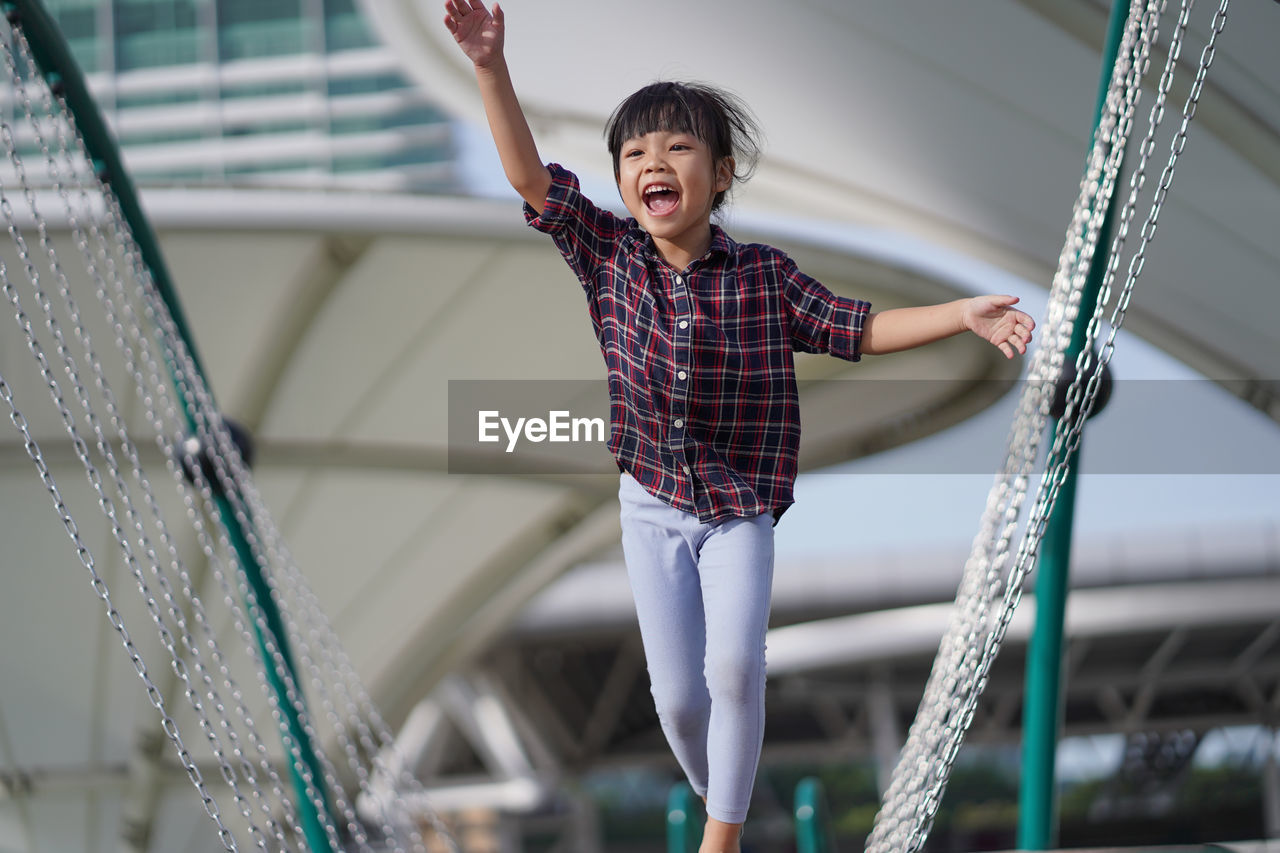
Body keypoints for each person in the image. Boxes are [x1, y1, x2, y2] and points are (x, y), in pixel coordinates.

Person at [443, 2, 1035, 850]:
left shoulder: (763, 276)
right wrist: (490, 66)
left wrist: (960, 313)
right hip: (649, 501)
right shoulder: (606, 256)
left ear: (721, 175)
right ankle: (726, 789)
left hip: (739, 507)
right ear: (620, 182)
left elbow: (855, 327)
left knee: (732, 670)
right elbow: (533, 180)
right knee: (680, 699)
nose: (654, 162)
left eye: (678, 148)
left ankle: (721, 836)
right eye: (635, 153)